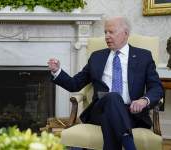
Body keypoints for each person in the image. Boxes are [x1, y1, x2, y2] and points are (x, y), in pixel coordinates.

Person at [48, 17, 164, 150]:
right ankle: (128, 144)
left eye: (111, 32)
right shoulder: (97, 57)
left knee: (112, 119)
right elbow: (75, 84)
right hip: (100, 110)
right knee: (113, 97)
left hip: (132, 113)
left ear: (125, 33)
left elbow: (156, 87)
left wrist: (144, 100)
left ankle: (126, 138)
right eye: (105, 32)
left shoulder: (143, 56)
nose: (107, 36)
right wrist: (57, 71)